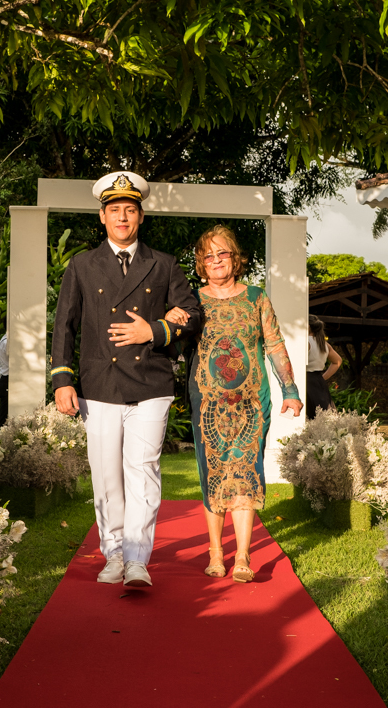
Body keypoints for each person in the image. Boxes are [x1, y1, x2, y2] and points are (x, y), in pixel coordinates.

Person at [51, 172, 202, 588]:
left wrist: (152, 331)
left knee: (143, 470)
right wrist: (63, 380)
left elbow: (191, 313)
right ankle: (113, 553)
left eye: (130, 210)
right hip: (99, 384)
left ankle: (137, 559)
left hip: (150, 383)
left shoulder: (163, 263)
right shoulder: (82, 264)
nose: (122, 217)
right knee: (106, 473)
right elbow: (64, 324)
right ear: (102, 217)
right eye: (115, 210)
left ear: (140, 217)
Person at [163, 226, 300, 583]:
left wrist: (290, 389)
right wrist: (171, 324)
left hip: (252, 402)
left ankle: (241, 556)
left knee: (245, 471)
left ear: (235, 258)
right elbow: (174, 350)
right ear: (200, 264)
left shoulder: (257, 298)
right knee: (213, 473)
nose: (215, 261)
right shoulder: (192, 301)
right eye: (207, 256)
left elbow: (273, 344)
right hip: (207, 403)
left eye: (222, 253)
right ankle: (214, 553)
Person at [305, 316, 341, 418]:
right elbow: (337, 361)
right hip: (318, 381)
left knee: (309, 414)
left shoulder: (305, 342)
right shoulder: (324, 344)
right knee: (322, 414)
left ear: (308, 326)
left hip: (306, 379)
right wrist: (323, 377)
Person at [0, 333, 10, 426]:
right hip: (6, 380)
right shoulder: (7, 342)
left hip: (5, 379)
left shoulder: (4, 340)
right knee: (4, 417)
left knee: (5, 414)